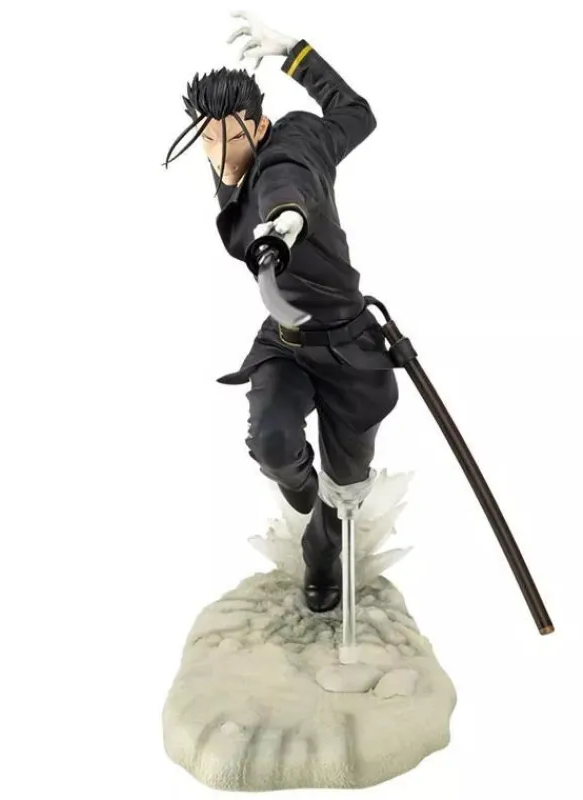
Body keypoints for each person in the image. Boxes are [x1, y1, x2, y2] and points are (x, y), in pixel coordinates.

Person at [164, 12, 399, 612]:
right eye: (207, 138)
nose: (219, 154)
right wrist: (295, 53)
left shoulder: (290, 148)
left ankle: (322, 548)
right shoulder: (237, 156)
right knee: (271, 441)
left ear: (260, 126)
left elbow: (285, 184)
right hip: (287, 340)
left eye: (231, 137)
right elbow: (355, 114)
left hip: (350, 348)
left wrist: (285, 222)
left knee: (345, 492)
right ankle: (302, 488)